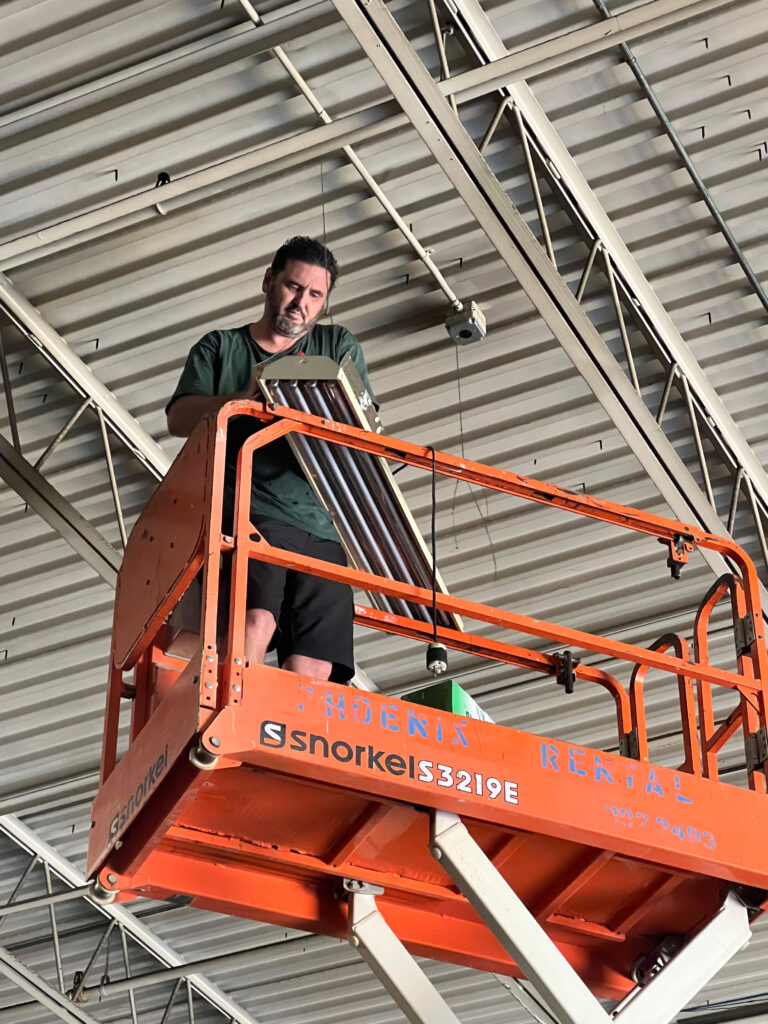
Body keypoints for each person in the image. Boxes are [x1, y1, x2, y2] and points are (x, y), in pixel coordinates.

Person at [166, 235, 376, 683]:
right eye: (293, 286)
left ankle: (281, 747)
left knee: (315, 659)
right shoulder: (221, 347)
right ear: (268, 281)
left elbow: (363, 427)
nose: (301, 302)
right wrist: (243, 397)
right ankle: (228, 718)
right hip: (249, 509)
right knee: (255, 620)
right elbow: (179, 417)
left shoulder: (336, 346)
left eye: (315, 295)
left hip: (323, 522)